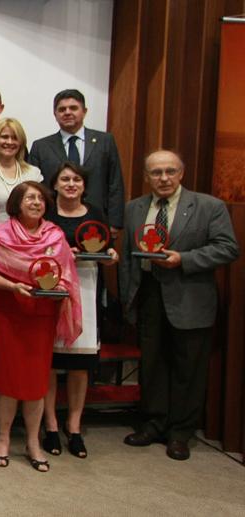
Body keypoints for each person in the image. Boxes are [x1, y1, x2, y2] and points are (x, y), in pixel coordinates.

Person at [120, 150, 239, 460]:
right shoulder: (134, 209)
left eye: (170, 171)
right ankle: (153, 423)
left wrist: (183, 260)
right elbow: (129, 258)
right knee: (152, 364)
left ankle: (180, 432)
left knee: (189, 368)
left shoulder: (208, 206)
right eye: (156, 172)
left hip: (189, 298)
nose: (163, 178)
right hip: (148, 295)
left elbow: (227, 248)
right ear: (146, 176)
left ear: (181, 173)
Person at [0, 181, 81, 473]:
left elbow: (65, 274)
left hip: (41, 315)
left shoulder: (55, 235)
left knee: (36, 382)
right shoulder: (0, 234)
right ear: (16, 203)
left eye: (40, 198)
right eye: (29, 198)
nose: (36, 202)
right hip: (8, 311)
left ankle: (32, 441)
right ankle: (2, 439)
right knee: (7, 380)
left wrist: (61, 286)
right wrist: (14, 286)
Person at [42, 163, 118, 459]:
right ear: (55, 184)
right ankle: (50, 425)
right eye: (65, 179)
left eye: (76, 180)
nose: (71, 184)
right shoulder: (47, 212)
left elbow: (108, 249)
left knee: (79, 365)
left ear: (84, 186)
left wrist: (111, 255)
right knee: (49, 363)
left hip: (86, 291)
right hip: (53, 292)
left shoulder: (95, 212)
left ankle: (73, 427)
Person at [28, 89, 125, 230]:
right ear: (55, 114)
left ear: (84, 111)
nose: (67, 112)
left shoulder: (105, 141)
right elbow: (35, 187)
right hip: (52, 223)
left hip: (97, 221)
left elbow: (115, 183)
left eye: (73, 108)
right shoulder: (41, 146)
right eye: (62, 109)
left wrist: (115, 223)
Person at [0, 118, 42, 222]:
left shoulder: (33, 173)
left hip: (28, 235)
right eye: (4, 137)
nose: (9, 142)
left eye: (15, 138)